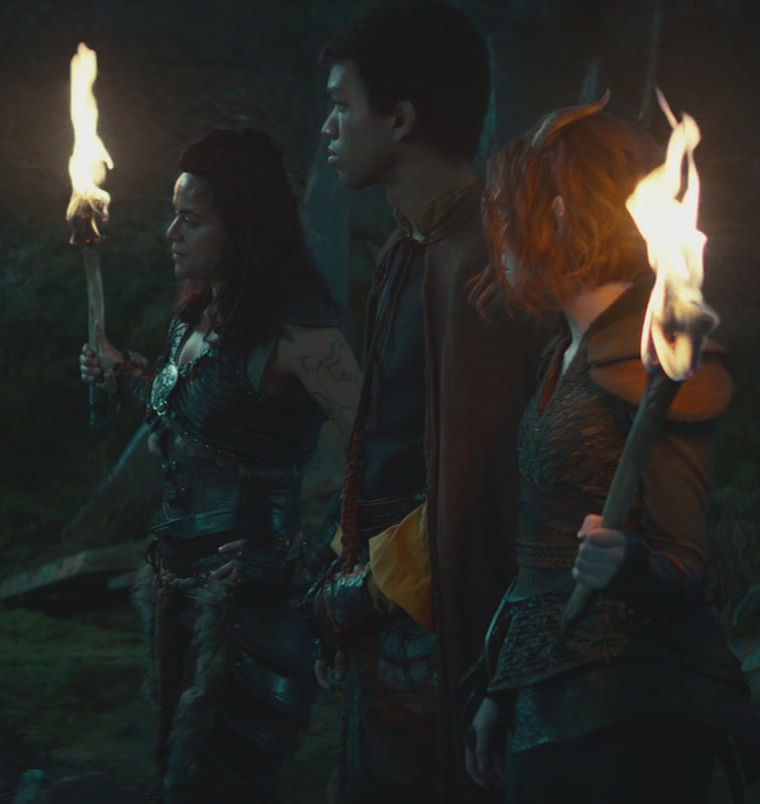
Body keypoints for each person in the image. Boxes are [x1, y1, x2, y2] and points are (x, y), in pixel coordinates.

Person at [459, 100, 760, 803]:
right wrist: (501, 692)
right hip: (546, 703)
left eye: (511, 213)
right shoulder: (561, 355)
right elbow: (541, 558)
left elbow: (684, 566)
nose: (498, 238)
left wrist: (631, 564)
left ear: (559, 215)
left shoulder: (654, 361)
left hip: (633, 714)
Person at [304, 2, 550, 801]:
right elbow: (387, 443)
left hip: (440, 628)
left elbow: (476, 486)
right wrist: (345, 569)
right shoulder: (408, 251)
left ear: (401, 119)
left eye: (343, 106)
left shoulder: (477, 266)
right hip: (390, 618)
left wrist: (358, 593)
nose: (328, 127)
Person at [78, 128, 364, 803]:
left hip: (254, 614)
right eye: (173, 214)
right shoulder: (201, 312)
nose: (172, 234)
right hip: (177, 593)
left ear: (245, 226)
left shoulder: (300, 332)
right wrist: (124, 376)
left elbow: (383, 451)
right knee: (173, 772)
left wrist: (307, 562)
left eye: (193, 219)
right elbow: (192, 417)